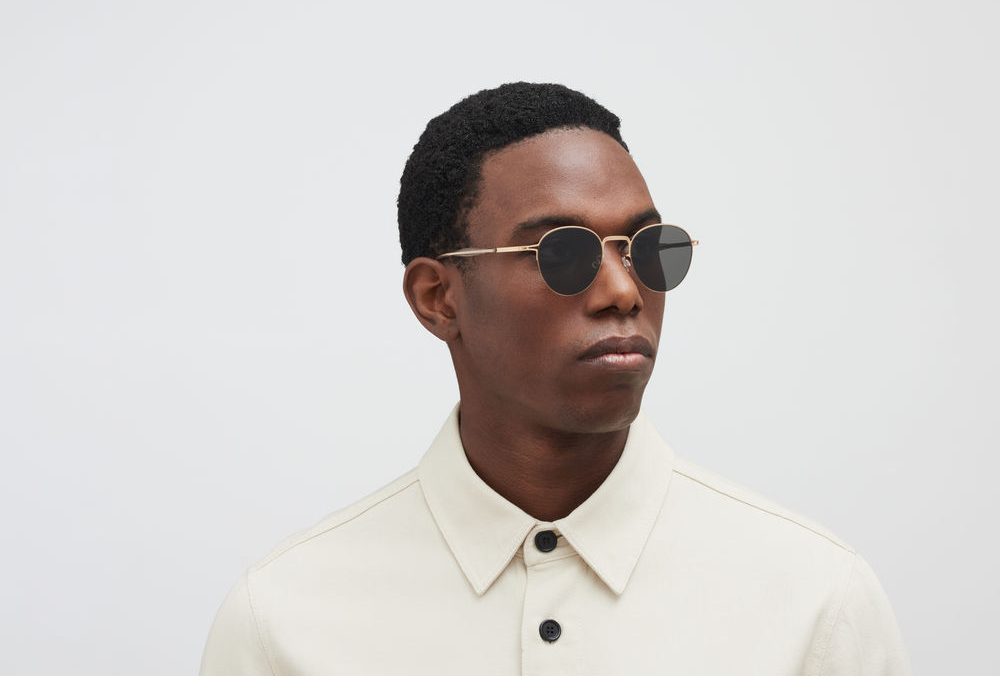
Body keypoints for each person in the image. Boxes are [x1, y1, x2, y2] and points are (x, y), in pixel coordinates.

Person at [199, 82, 912, 675]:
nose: (623, 291)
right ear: (438, 297)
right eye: (563, 253)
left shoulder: (815, 604)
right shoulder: (285, 623)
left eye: (646, 249)